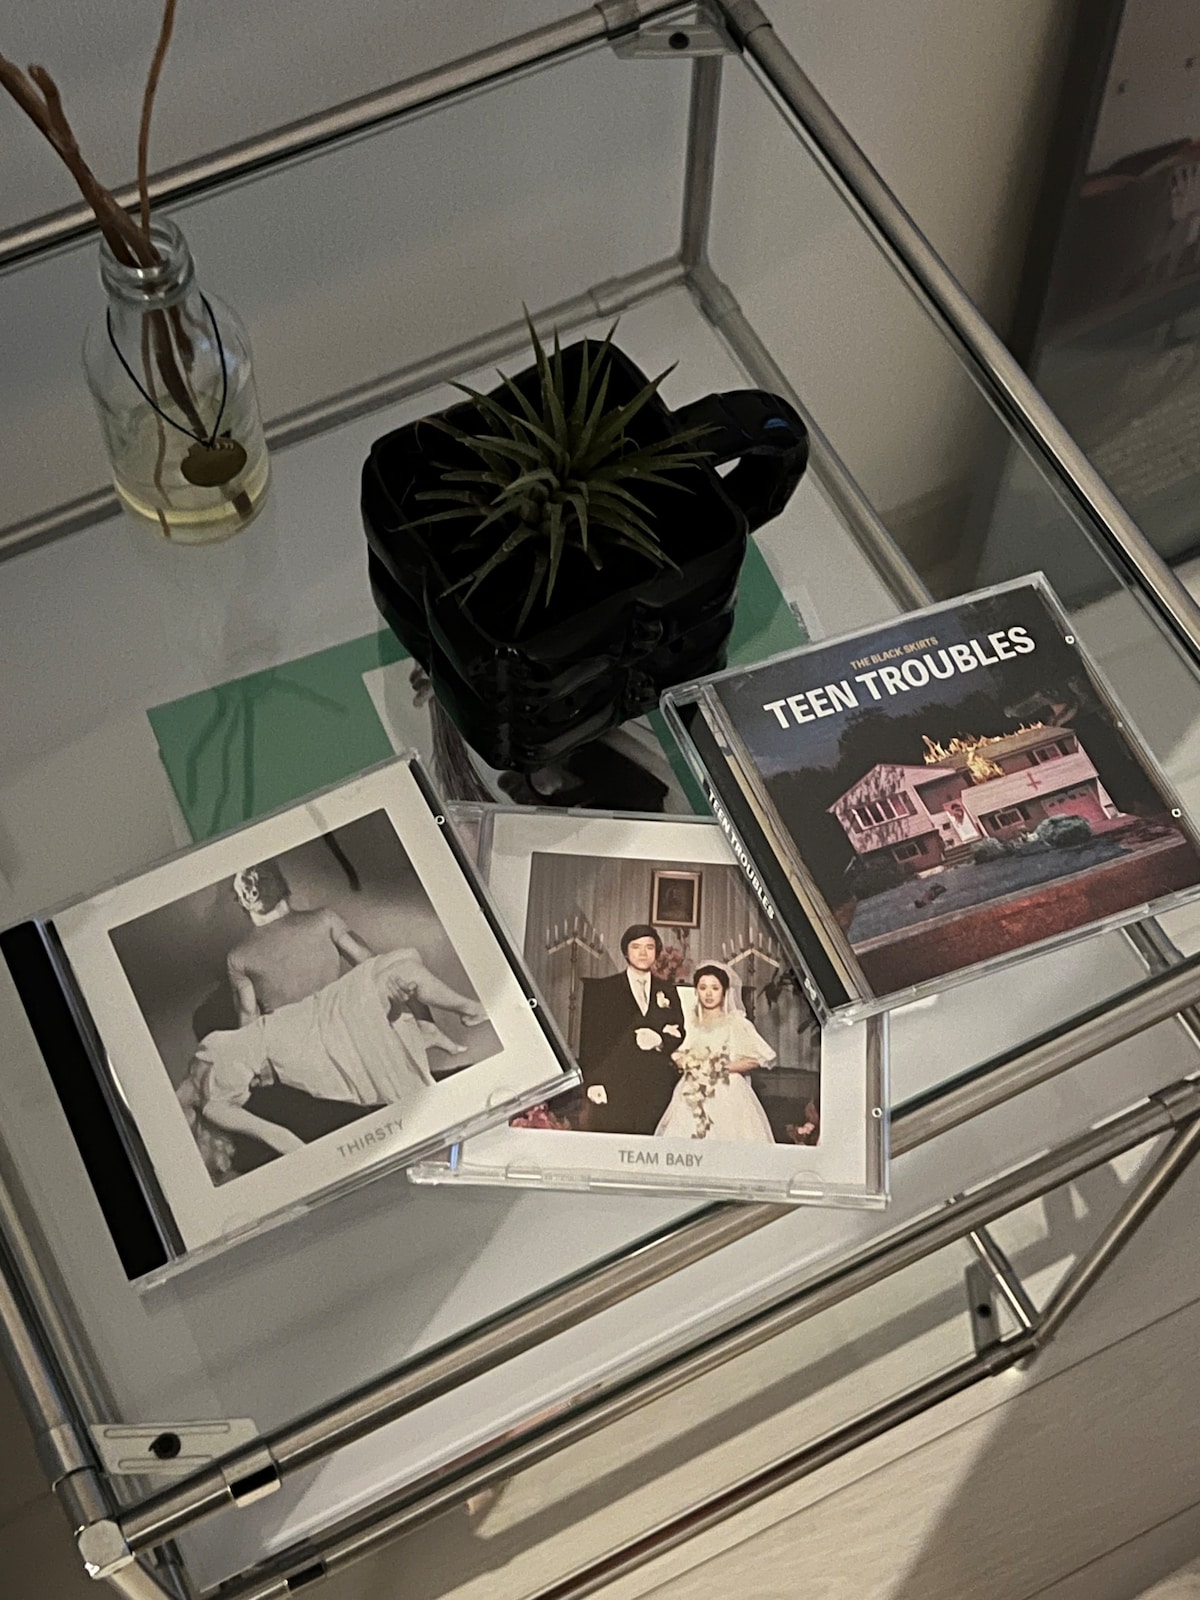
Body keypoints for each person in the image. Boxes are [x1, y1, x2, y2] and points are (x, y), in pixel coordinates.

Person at [575, 925, 686, 1136]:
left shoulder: (667, 989)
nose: (643, 953)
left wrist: (660, 1040)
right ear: (626, 952)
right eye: (636, 947)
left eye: (649, 947)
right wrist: (593, 1082)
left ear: (657, 952)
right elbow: (591, 1041)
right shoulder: (603, 989)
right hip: (616, 1082)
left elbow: (679, 1029)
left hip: (657, 1083)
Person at [656, 962, 776, 1142]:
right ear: (696, 991)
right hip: (692, 1088)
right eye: (703, 988)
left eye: (715, 988)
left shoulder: (736, 1023)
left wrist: (720, 1068)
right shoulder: (689, 1023)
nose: (709, 993)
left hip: (728, 1089)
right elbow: (675, 1051)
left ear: (724, 991)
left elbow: (755, 1059)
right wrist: (687, 1063)